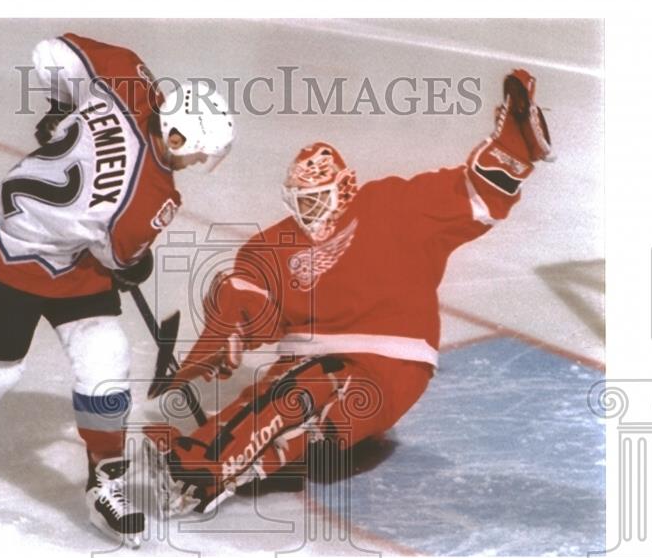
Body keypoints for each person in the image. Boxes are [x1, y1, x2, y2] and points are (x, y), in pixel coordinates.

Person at [145, 69, 551, 516]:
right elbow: (249, 302)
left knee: (310, 396)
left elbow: (475, 194)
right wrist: (230, 334)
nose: (308, 211)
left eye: (316, 199)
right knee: (297, 405)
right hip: (313, 363)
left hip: (393, 363)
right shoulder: (271, 247)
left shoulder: (394, 203)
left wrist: (513, 144)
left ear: (344, 187)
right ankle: (220, 464)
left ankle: (204, 463)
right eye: (299, 201)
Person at [0, 32, 234, 545]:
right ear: (176, 138)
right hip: (9, 252)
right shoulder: (149, 199)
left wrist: (63, 106)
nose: (198, 164)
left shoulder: (130, 80)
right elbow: (121, 258)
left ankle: (104, 480)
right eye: (198, 154)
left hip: (69, 258)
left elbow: (51, 51)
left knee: (106, 358)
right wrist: (136, 266)